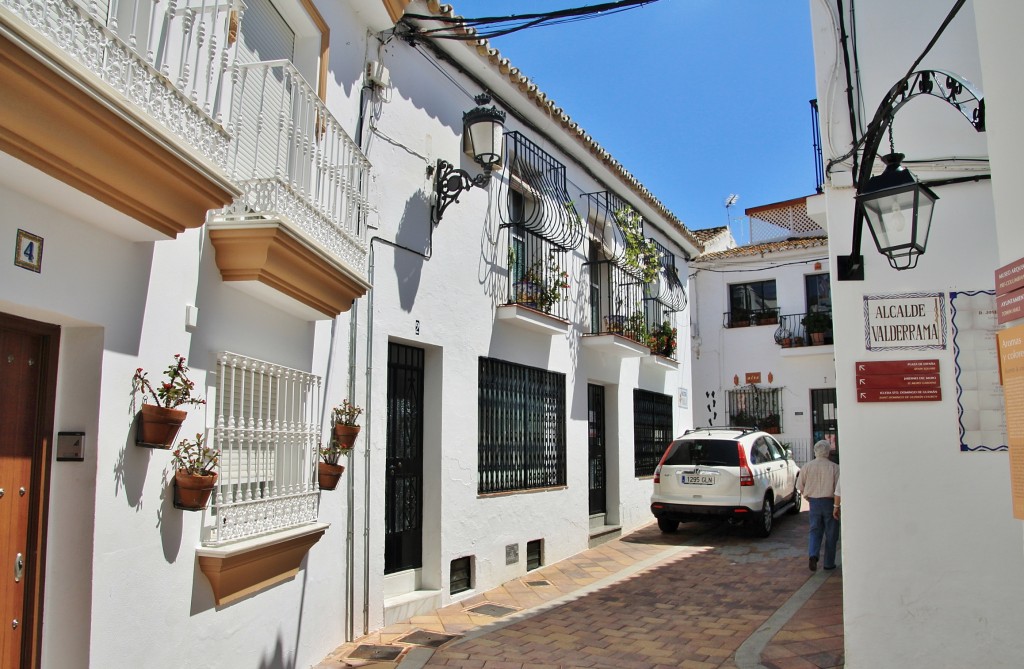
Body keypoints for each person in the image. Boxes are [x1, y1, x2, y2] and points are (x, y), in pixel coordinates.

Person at [796, 440, 840, 572]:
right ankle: (828, 563)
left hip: (814, 502)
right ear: (828, 452)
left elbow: (799, 486)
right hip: (830, 502)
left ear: (815, 451)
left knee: (815, 530)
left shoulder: (807, 467)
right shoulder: (834, 467)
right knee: (831, 533)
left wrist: (807, 496)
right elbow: (838, 489)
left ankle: (813, 554)